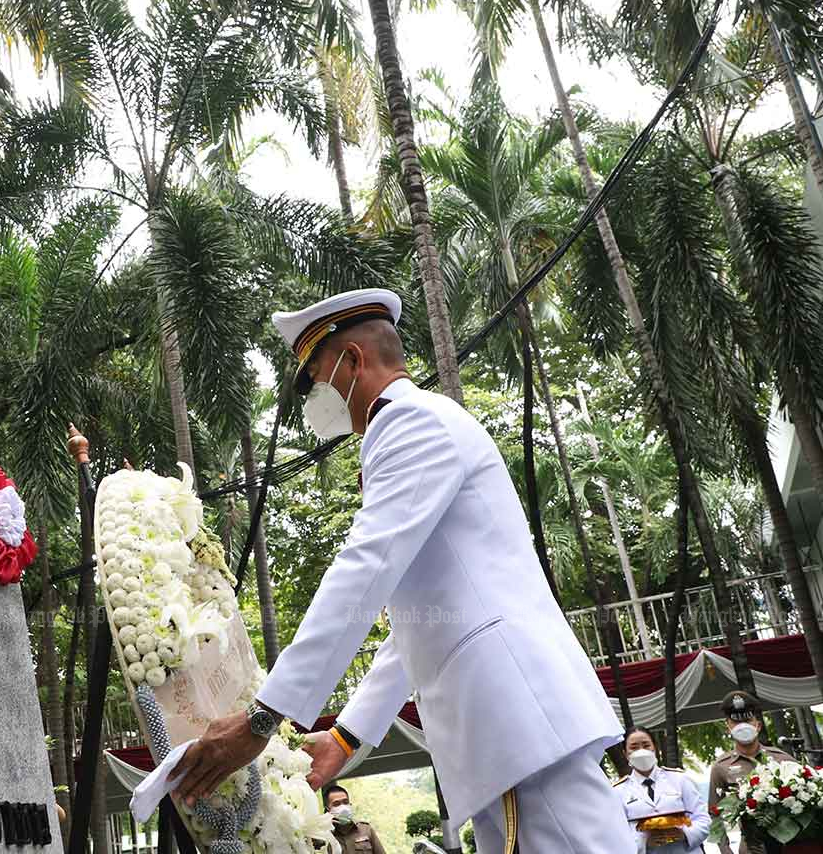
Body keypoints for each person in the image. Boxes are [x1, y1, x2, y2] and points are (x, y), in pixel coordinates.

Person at [169, 288, 628, 851]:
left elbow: (362, 573)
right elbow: (420, 620)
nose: (314, 398)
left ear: (353, 362)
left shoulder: (408, 422)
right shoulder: (418, 423)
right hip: (504, 731)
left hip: (516, 718)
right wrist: (346, 733)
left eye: (314, 379)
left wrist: (262, 719)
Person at [709, 690, 795, 854]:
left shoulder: (782, 759)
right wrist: (725, 849)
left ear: (758, 725)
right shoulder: (721, 767)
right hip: (751, 848)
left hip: (789, 845)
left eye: (748, 720)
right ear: (728, 727)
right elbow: (714, 813)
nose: (743, 726)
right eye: (735, 722)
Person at [615, 725, 709, 852]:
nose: (641, 751)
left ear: (655, 748)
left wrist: (684, 834)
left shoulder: (680, 779)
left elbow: (702, 819)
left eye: (646, 745)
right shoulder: (618, 792)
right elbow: (617, 834)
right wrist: (644, 841)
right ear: (625, 754)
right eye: (634, 747)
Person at [323, 784, 386, 853]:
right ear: (328, 810)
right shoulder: (325, 836)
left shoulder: (365, 829)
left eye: (345, 802)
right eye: (336, 804)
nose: (343, 807)